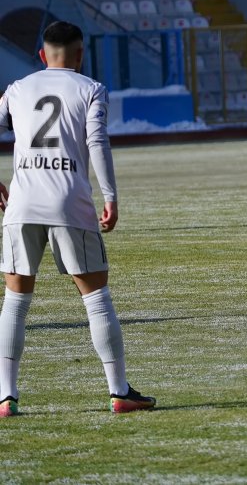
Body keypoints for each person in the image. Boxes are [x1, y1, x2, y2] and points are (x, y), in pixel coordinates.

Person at [0, 21, 155, 416]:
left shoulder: (17, 89)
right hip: (69, 201)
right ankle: (119, 392)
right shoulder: (90, 89)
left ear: (41, 55)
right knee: (97, 299)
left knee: (16, 301)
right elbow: (96, 142)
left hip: (21, 204)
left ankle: (6, 397)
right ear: (80, 54)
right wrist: (111, 196)